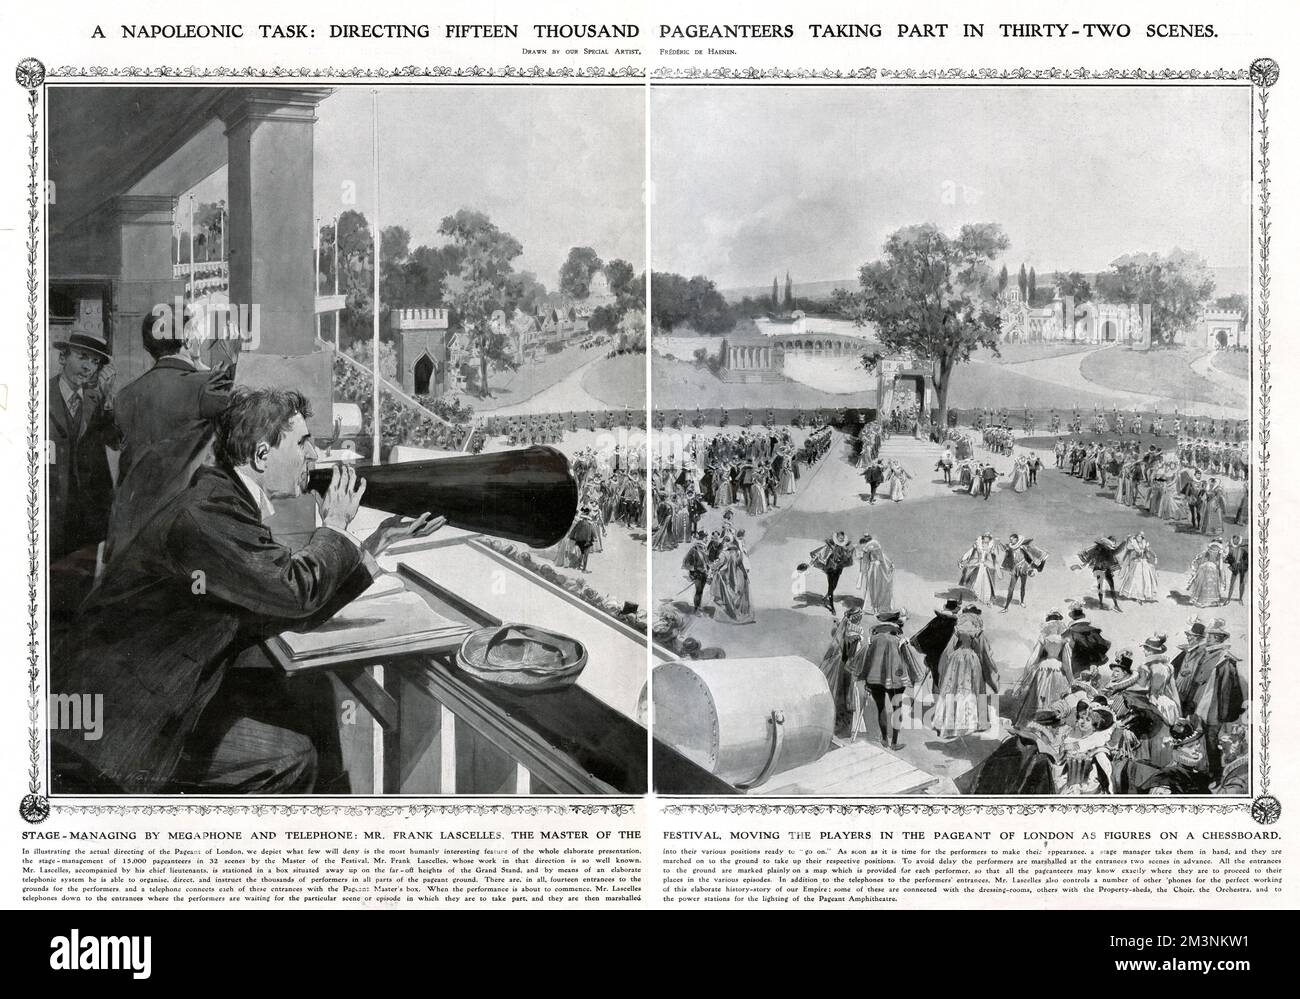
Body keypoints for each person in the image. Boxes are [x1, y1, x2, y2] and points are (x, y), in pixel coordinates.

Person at [50, 387, 444, 794]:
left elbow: (292, 609)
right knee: (290, 758)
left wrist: (373, 545)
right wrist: (336, 529)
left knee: (307, 718)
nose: (314, 456)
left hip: (147, 696)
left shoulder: (226, 502)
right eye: (303, 443)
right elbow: (295, 593)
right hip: (118, 728)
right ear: (260, 456)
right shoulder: (209, 517)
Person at [49, 331, 121, 562]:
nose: (89, 367)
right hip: (52, 512)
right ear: (62, 358)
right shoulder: (39, 395)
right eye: (82, 357)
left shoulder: (97, 400)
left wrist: (109, 400)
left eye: (95, 361)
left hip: (89, 514)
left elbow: (116, 441)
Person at [847, 611, 923, 750]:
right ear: (893, 626)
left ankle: (883, 738)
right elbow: (909, 661)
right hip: (896, 680)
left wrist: (866, 678)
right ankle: (894, 742)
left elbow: (866, 660)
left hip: (875, 680)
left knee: (881, 707)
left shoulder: (872, 640)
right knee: (897, 708)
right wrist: (914, 677)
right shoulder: (899, 640)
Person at [930, 611, 999, 739]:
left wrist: (944, 666)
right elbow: (979, 649)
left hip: (957, 658)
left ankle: (950, 722)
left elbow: (950, 649)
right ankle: (967, 723)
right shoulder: (976, 630)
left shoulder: (959, 628)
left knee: (954, 688)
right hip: (972, 659)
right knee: (972, 689)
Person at [909, 598, 961, 695]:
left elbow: (917, 640)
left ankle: (938, 704)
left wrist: (928, 650)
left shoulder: (936, 621)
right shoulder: (956, 624)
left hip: (934, 657)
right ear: (956, 610)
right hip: (950, 658)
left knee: (937, 682)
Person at [710, 530, 755, 625]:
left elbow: (717, 564)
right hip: (739, 575)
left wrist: (712, 568)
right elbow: (741, 563)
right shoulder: (738, 552)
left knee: (726, 593)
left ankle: (731, 614)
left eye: (725, 541)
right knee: (740, 593)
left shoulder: (724, 553)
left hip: (728, 576)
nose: (724, 543)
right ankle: (742, 614)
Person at [1076, 536, 1127, 612]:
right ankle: (1103, 604)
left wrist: (1124, 542)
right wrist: (1082, 565)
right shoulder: (1098, 549)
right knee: (1101, 587)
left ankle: (1114, 605)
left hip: (1106, 569)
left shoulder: (1108, 550)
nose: (1111, 546)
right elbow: (1090, 557)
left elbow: (1116, 550)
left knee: (1109, 587)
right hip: (1099, 569)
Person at [811, 531, 856, 614]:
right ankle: (832, 607)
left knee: (834, 585)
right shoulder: (831, 545)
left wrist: (851, 550)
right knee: (831, 587)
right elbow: (824, 548)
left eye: (842, 538)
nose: (841, 539)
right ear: (837, 538)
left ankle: (826, 597)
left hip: (839, 568)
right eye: (840, 538)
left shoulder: (844, 547)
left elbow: (847, 556)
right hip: (830, 568)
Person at [1000, 533, 1047, 610]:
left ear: (1016, 539)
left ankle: (1022, 602)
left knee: (1023, 586)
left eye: (1012, 539)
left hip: (1024, 568)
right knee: (1011, 588)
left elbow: (1030, 555)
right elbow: (1005, 549)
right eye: (1010, 539)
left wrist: (1033, 566)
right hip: (1015, 569)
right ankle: (1006, 607)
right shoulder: (1010, 548)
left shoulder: (1023, 547)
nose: (1011, 540)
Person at [1063, 603, 1111, 673]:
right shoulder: (1093, 631)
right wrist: (1093, 660)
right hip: (1092, 665)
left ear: (1073, 618)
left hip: (1077, 664)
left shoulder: (1071, 632)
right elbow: (1104, 645)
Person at [856, 534, 895, 614]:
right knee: (876, 588)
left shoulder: (870, 547)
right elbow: (882, 557)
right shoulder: (873, 546)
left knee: (875, 588)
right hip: (877, 569)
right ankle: (875, 607)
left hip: (875, 570)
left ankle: (874, 608)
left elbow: (866, 562)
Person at [1116, 531, 1160, 603]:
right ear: (1136, 537)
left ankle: (1145, 595)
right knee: (1135, 579)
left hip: (1144, 563)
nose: (1139, 538)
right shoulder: (1133, 544)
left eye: (1141, 536)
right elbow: (1128, 549)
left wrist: (1155, 556)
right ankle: (1137, 596)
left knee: (1146, 579)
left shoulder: (1144, 543)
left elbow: (1149, 550)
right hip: (1136, 563)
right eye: (1138, 536)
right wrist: (1128, 541)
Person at [1186, 537, 1227, 608]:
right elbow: (1220, 568)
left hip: (1205, 569)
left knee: (1204, 585)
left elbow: (1198, 560)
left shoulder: (1208, 552)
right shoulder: (1217, 553)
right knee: (1207, 585)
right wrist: (1222, 581)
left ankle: (1201, 600)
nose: (1215, 549)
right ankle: (1204, 601)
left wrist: (1195, 569)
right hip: (1209, 570)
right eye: (1214, 547)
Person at [681, 531, 711, 615]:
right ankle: (696, 609)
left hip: (704, 573)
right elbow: (686, 563)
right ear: (703, 538)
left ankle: (698, 606)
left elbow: (706, 561)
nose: (707, 539)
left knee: (701, 591)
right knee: (698, 591)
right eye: (706, 538)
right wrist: (696, 569)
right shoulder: (694, 550)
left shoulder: (704, 548)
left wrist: (708, 568)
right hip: (697, 574)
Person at [1225, 534, 1248, 603]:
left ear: (1239, 540)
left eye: (1236, 540)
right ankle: (1228, 599)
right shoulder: (1232, 549)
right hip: (1235, 567)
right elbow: (1228, 558)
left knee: (1242, 582)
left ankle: (1240, 599)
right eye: (1234, 540)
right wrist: (1229, 561)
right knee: (1232, 583)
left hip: (1242, 567)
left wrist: (1241, 563)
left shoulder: (1244, 549)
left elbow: (1247, 560)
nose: (1235, 542)